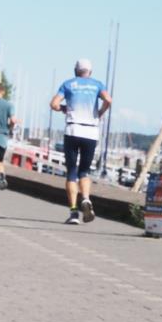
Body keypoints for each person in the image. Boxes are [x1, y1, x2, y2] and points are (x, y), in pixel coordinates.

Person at [49, 59, 111, 224]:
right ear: (90, 72)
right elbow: (108, 100)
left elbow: (54, 104)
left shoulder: (68, 84)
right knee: (84, 171)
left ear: (75, 71)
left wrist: (63, 108)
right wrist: (100, 112)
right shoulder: (97, 84)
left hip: (73, 129)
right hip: (90, 131)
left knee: (71, 173)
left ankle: (74, 213)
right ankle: (85, 198)